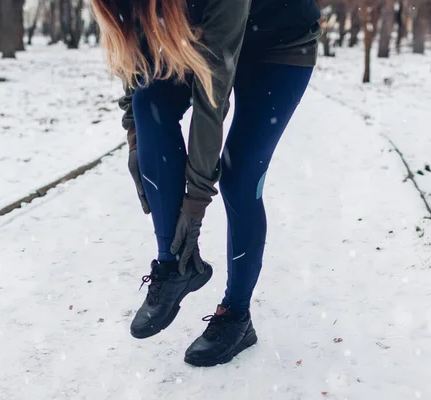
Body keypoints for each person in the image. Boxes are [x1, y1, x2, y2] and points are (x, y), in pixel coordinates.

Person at [91, 0, 321, 367]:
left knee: (239, 176)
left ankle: (237, 315)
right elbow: (134, 54)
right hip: (202, 36)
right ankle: (176, 267)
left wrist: (195, 205)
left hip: (280, 44)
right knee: (150, 101)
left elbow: (210, 102)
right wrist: (136, 137)